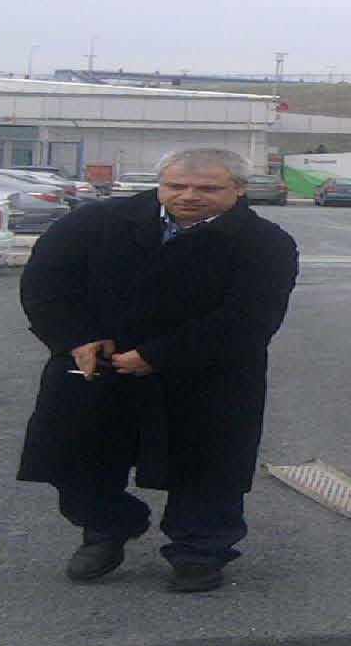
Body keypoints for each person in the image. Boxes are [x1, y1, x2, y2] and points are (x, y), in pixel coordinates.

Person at [17, 148, 301, 593]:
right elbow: (46, 283)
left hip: (209, 373)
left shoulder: (264, 242)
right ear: (160, 184)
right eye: (176, 186)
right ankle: (107, 528)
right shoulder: (94, 223)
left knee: (207, 467)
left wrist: (158, 354)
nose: (189, 196)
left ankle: (199, 549)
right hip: (97, 365)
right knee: (75, 458)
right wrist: (75, 336)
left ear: (239, 190)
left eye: (208, 189)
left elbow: (250, 316)